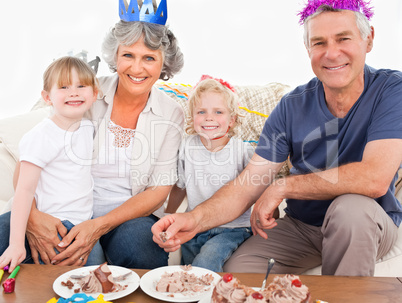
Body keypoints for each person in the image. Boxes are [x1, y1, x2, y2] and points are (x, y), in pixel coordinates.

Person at [152, 0, 402, 276]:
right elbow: (248, 184)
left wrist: (283, 187)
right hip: (302, 228)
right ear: (308, 49)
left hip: (364, 225)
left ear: (369, 39)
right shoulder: (291, 106)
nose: (331, 53)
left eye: (343, 39)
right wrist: (193, 219)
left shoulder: (391, 91)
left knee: (350, 210)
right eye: (319, 43)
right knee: (237, 273)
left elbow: (375, 178)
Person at [0, 0, 184, 269]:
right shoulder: (86, 93)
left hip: (126, 218)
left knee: (142, 249)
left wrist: (96, 226)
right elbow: (31, 159)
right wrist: (34, 218)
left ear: (163, 63)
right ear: (115, 56)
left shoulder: (171, 113)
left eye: (149, 58)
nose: (136, 68)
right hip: (62, 211)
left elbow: (158, 190)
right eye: (128, 55)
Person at [0, 56, 100, 272]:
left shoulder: (87, 127)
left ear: (94, 94)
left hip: (82, 225)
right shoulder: (41, 136)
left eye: (81, 86)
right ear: (47, 97)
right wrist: (16, 244)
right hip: (54, 226)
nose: (73, 92)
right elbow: (24, 191)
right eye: (64, 87)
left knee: (95, 279)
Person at [164, 76, 254, 272]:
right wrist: (168, 214)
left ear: (232, 120)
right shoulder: (187, 147)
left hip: (232, 229)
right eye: (201, 111)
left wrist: (269, 212)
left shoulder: (242, 151)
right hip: (195, 227)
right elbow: (180, 186)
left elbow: (256, 187)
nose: (209, 117)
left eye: (218, 112)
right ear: (192, 116)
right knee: (187, 268)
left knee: (206, 262)